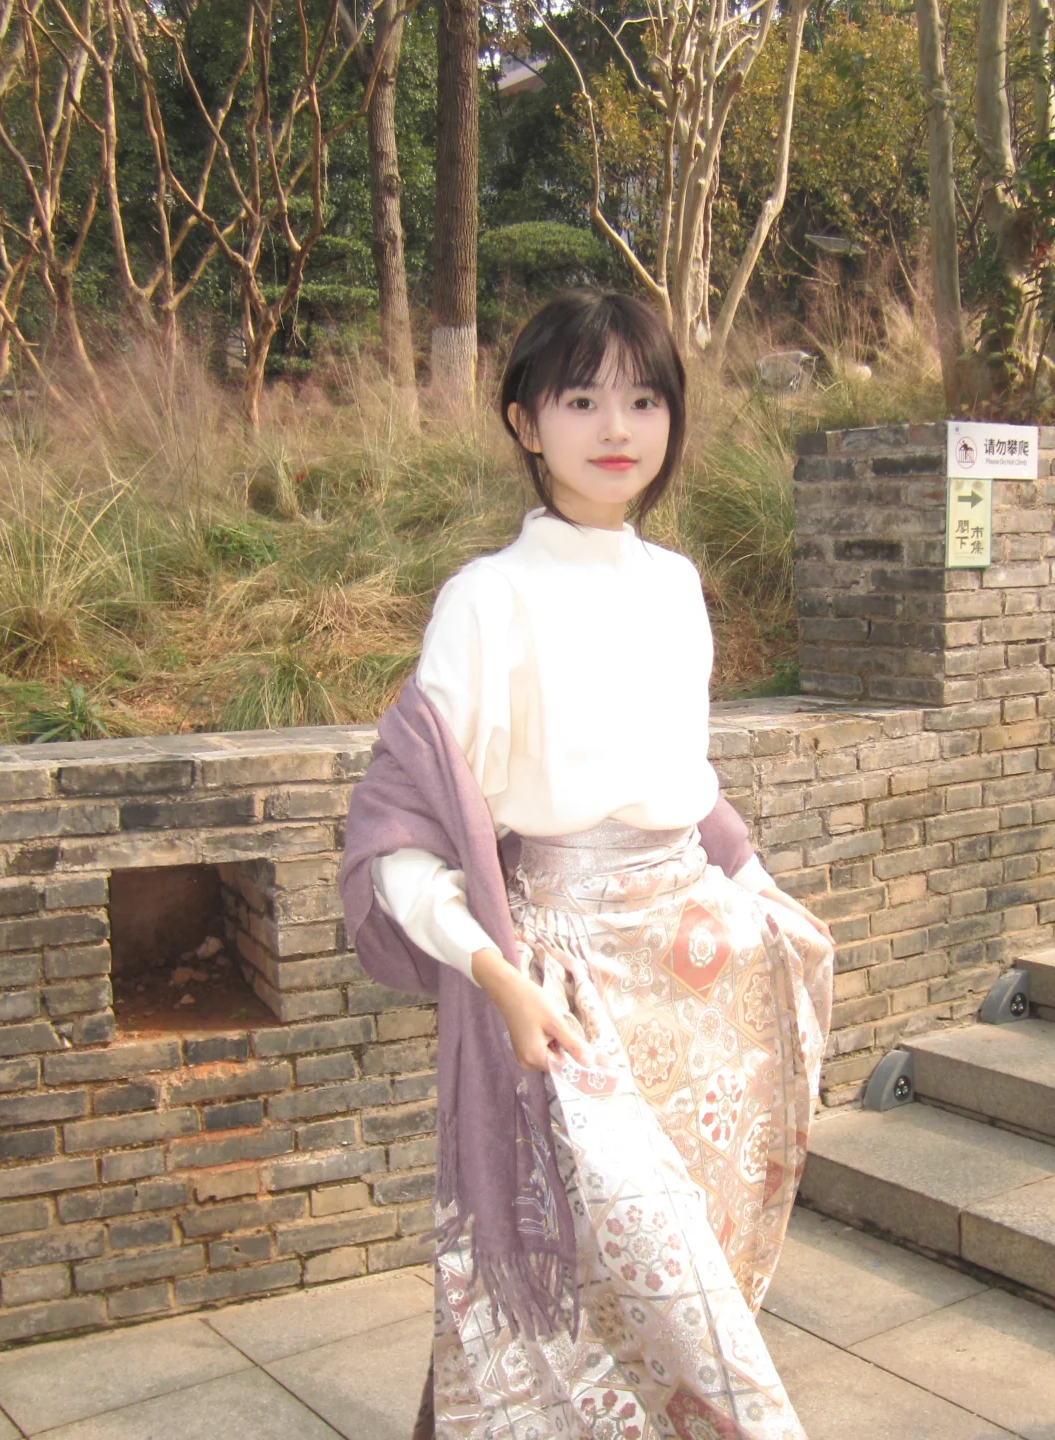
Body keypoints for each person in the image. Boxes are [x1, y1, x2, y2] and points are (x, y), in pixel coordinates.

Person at [340, 290, 834, 1440]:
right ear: (525, 421)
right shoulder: (488, 600)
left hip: (699, 983)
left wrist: (757, 889)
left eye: (645, 399)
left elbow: (684, 778)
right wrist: (499, 976)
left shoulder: (675, 585)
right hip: (570, 988)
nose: (618, 427)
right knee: (631, 1287)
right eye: (581, 399)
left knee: (656, 1282)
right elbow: (403, 839)